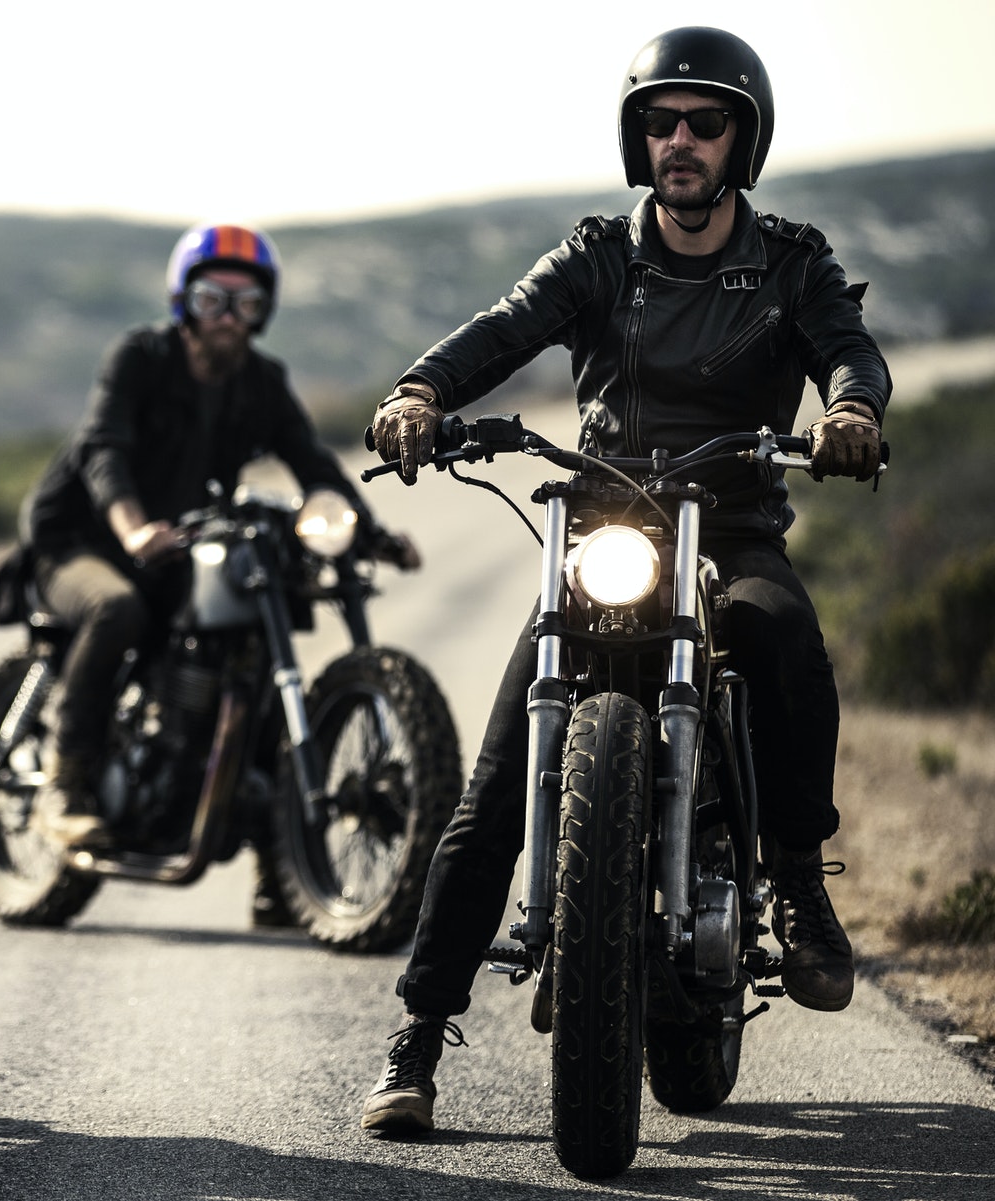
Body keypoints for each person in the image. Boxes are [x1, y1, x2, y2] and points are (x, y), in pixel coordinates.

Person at [358, 27, 889, 1134]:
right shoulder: (598, 256)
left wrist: (848, 408)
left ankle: (798, 878)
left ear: (741, 139)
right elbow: (503, 329)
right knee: (496, 784)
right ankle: (417, 1034)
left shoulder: (790, 262)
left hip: (730, 524)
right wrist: (420, 391)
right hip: (606, 521)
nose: (679, 140)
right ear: (635, 138)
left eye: (704, 121)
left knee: (783, 637)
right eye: (659, 122)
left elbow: (848, 346)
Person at [19, 223, 417, 890]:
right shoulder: (140, 358)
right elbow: (104, 450)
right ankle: (66, 783)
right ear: (184, 301)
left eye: (246, 302)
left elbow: (312, 462)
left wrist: (369, 534)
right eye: (213, 299)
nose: (229, 317)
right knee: (117, 609)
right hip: (81, 540)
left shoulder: (261, 381)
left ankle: (280, 874)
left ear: (264, 311)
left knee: (249, 641)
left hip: (176, 546)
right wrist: (133, 528)